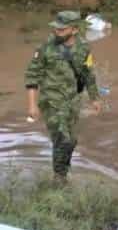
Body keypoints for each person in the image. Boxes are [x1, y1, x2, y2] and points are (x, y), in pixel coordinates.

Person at [24, 11, 102, 181]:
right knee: (63, 138)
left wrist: (95, 98)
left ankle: (62, 173)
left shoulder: (84, 47)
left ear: (74, 30)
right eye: (55, 29)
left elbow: (88, 74)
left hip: (73, 102)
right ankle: (59, 178)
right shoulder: (46, 46)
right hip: (51, 101)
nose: (56, 32)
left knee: (71, 141)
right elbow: (32, 75)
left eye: (61, 29)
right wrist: (32, 105)